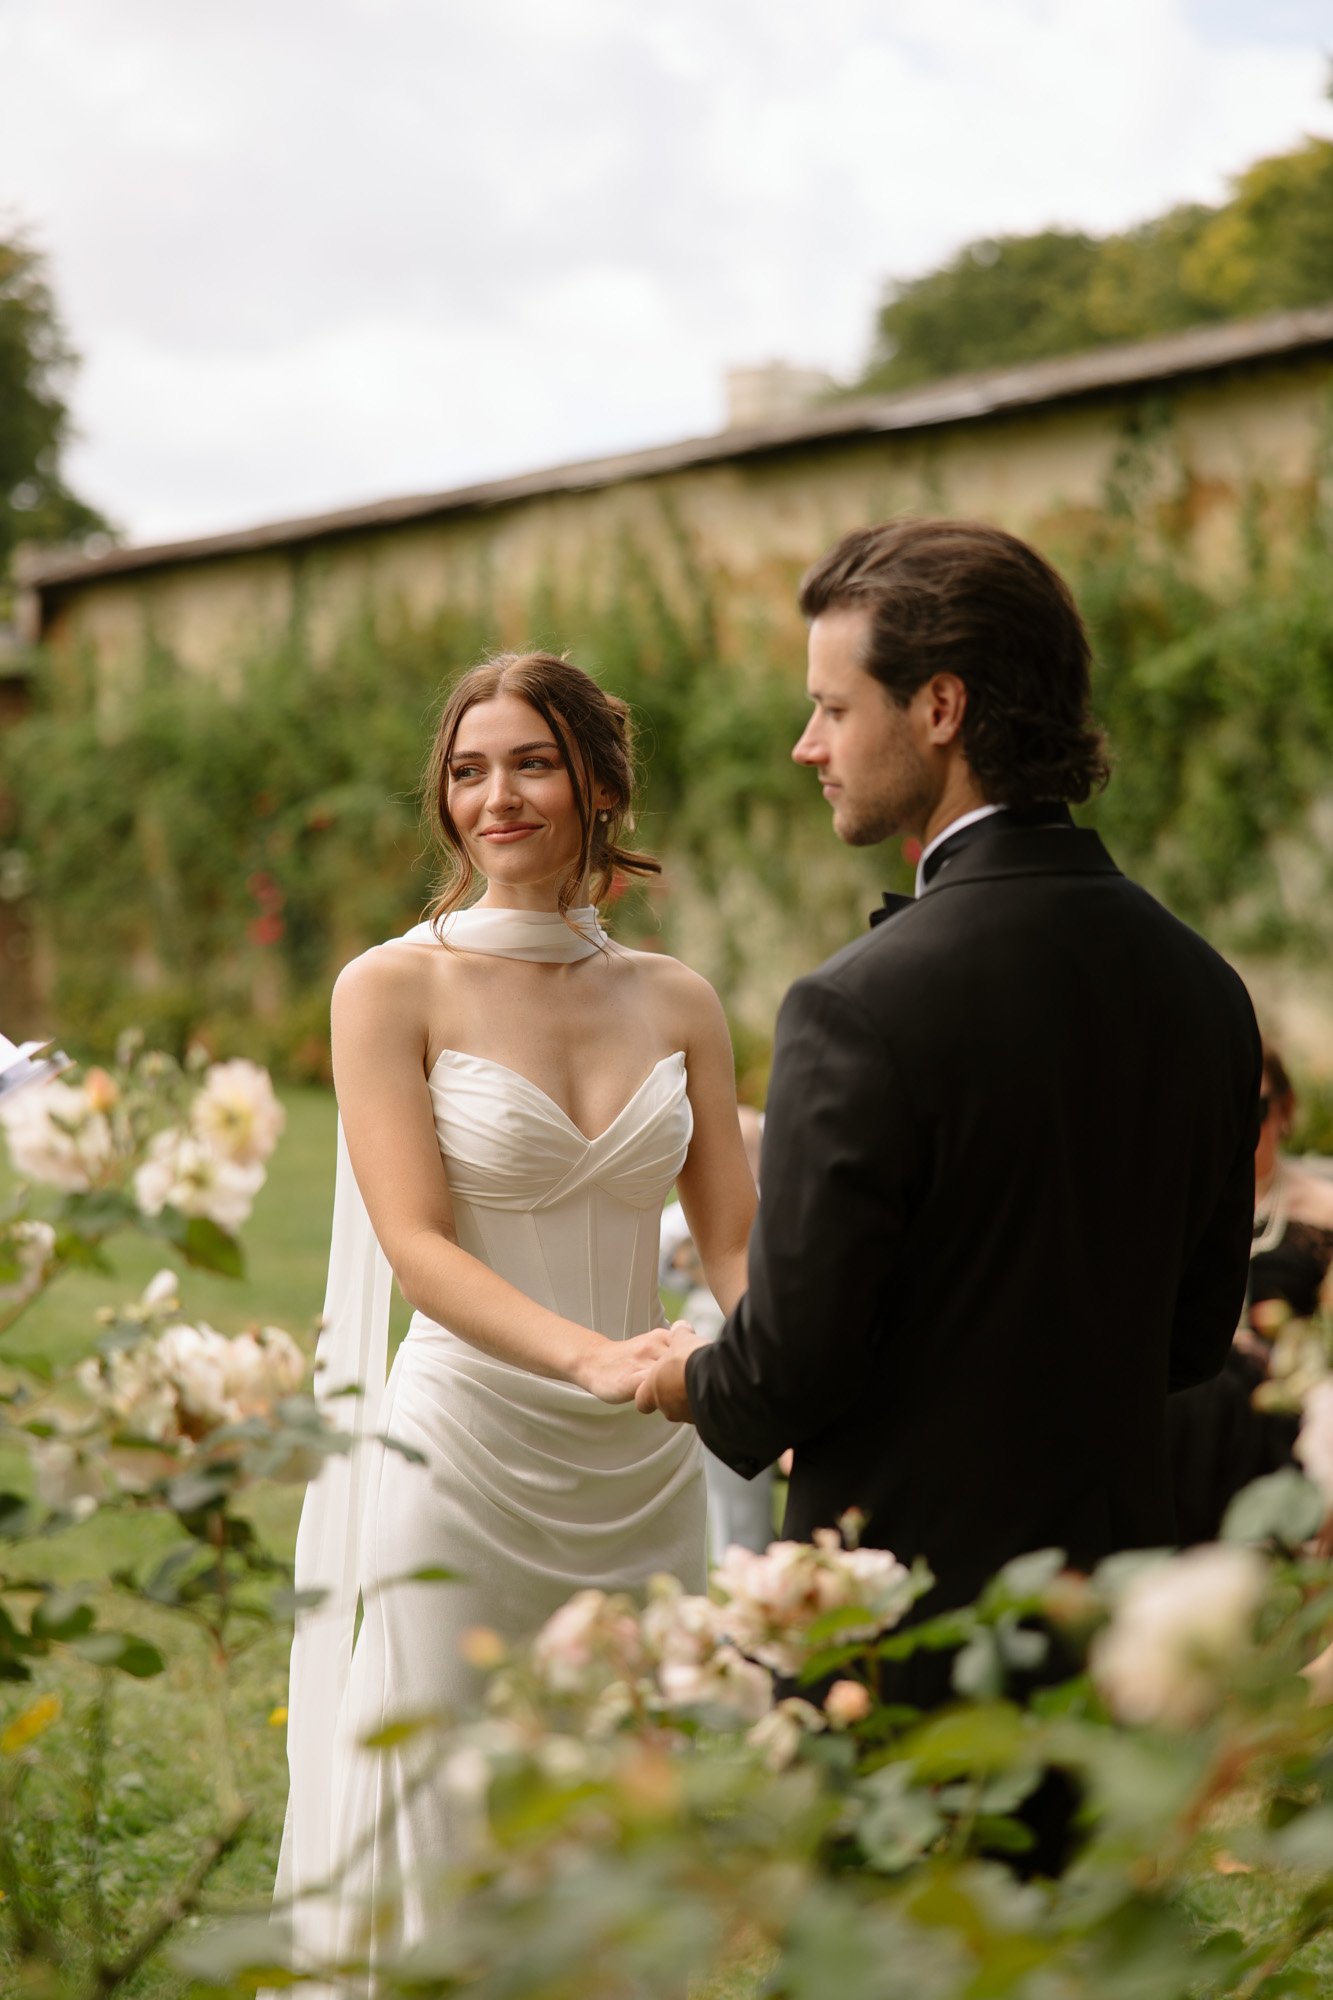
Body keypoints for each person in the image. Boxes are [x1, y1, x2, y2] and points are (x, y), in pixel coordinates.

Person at [637, 517, 1262, 1697]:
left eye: (832, 706)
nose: (802, 744)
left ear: (939, 707)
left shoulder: (853, 1004)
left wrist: (686, 1376)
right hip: (1107, 1633)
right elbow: (1189, 1338)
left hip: (901, 1630)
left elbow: (783, 1371)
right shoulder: (1204, 985)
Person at [272, 652, 757, 1980]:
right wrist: (597, 1356)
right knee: (452, 1800)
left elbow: (733, 1241)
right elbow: (419, 1246)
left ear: (597, 783)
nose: (498, 796)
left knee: (622, 1811)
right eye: (469, 768)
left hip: (645, 1456)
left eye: (531, 762)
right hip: (465, 1451)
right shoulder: (391, 988)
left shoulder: (677, 1000)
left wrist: (772, 1373)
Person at [1169, 1040, 1333, 1544]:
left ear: (1284, 1111)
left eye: (1254, 1109)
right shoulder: (1182, 1200)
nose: (1240, 1127)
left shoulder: (1323, 1208)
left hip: (1283, 1398)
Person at [659, 1105, 776, 1558]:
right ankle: (742, 1554)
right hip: (714, 1329)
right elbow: (672, 1257)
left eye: (751, 1152)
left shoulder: (778, 1193)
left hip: (766, 1328)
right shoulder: (689, 1212)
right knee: (729, 1474)